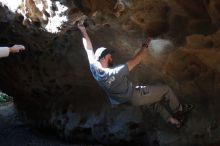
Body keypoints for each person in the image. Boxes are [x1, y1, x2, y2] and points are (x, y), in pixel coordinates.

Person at [77, 22, 193, 128]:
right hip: (134, 95)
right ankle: (180, 110)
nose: (111, 57)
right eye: (109, 56)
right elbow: (137, 59)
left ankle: (175, 122)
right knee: (165, 90)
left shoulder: (94, 68)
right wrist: (146, 44)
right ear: (103, 58)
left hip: (123, 101)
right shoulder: (115, 72)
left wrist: (83, 30)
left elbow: (88, 48)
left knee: (154, 103)